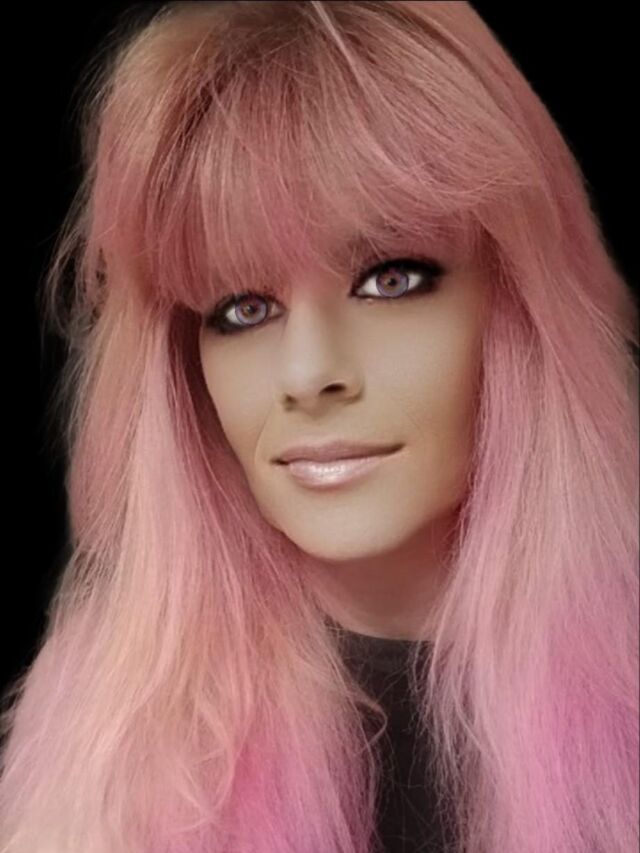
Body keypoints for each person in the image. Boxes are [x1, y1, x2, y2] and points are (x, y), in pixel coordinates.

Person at [1, 2, 638, 851]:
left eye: (390, 279)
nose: (308, 375)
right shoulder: (104, 757)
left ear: (516, 304)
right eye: (243, 306)